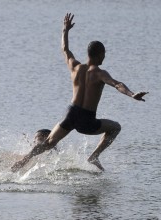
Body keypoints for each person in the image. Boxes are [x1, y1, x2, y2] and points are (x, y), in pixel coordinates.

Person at [11, 13, 148, 172]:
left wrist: (65, 30)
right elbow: (117, 84)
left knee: (48, 143)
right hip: (86, 120)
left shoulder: (75, 67)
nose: (105, 57)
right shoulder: (99, 73)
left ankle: (22, 162)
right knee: (116, 127)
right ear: (98, 54)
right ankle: (94, 156)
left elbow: (65, 49)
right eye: (104, 54)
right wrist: (132, 95)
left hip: (71, 113)